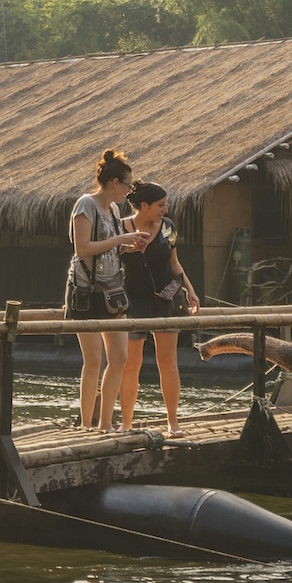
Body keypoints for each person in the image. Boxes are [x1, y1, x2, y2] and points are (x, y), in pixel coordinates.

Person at [66, 148, 146, 431]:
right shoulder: (85, 205)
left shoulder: (113, 210)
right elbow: (83, 248)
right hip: (87, 290)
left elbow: (111, 247)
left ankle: (106, 423)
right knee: (94, 360)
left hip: (113, 290)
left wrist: (129, 244)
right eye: (127, 186)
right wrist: (120, 239)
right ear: (115, 184)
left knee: (120, 357)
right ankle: (87, 424)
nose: (128, 192)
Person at [115, 181, 201, 434]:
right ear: (144, 206)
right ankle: (126, 423)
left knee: (168, 360)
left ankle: (172, 422)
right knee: (131, 363)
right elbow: (111, 256)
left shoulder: (168, 227)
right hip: (134, 298)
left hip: (167, 296)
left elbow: (174, 262)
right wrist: (129, 246)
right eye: (161, 205)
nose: (165, 210)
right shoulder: (122, 227)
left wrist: (190, 289)